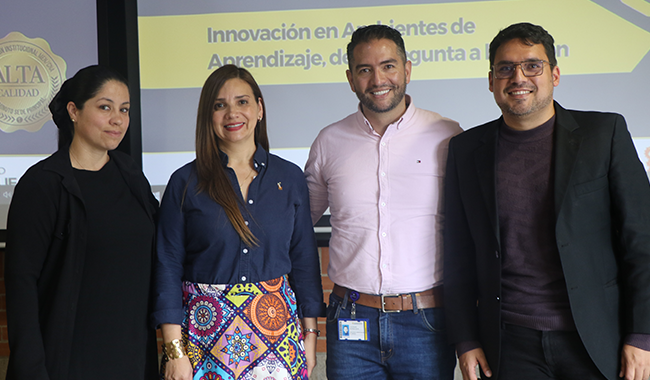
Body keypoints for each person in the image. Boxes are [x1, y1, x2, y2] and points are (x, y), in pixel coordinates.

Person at [443, 22, 650, 380]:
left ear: (554, 74)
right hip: (509, 344)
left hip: (598, 340)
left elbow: (642, 242)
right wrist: (465, 339)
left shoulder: (604, 134)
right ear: (491, 80)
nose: (518, 77)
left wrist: (642, 333)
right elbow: (458, 252)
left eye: (532, 65)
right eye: (505, 68)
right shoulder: (466, 150)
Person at [305, 24, 462, 379]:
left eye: (388, 66)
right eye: (365, 69)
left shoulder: (448, 135)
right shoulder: (329, 141)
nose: (378, 79)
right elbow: (297, 225)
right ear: (350, 78)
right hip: (351, 319)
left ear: (407, 69)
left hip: (427, 321)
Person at [152, 65, 325, 380]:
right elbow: (167, 267)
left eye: (242, 102)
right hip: (204, 336)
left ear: (259, 109)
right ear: (209, 116)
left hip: (277, 334)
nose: (232, 113)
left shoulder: (289, 177)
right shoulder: (184, 182)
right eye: (220, 105)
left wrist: (310, 335)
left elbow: (303, 262)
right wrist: (174, 351)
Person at [4, 65, 159, 379]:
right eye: (105, 107)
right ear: (73, 111)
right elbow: (22, 287)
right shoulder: (43, 184)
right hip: (68, 363)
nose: (118, 119)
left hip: (132, 360)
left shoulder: (130, 175)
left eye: (124, 110)